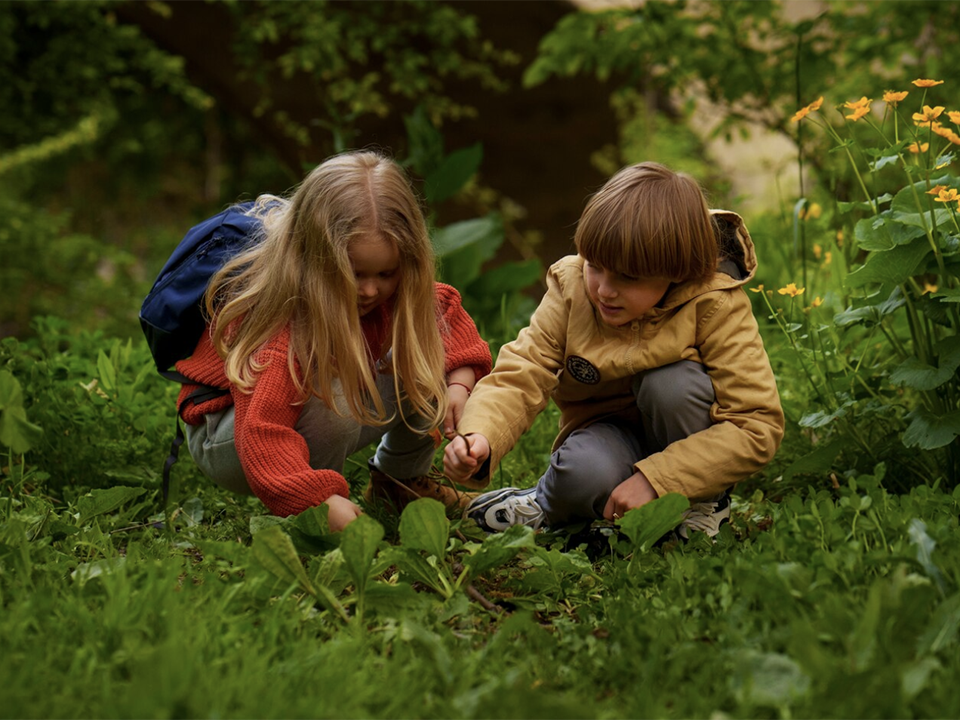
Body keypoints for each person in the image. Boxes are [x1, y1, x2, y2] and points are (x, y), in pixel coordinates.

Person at [444, 161, 783, 538]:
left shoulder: (715, 302)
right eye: (597, 267)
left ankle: (701, 505)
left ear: (678, 270)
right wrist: (480, 436)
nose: (605, 289)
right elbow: (524, 370)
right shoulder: (572, 288)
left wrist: (660, 480)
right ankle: (544, 502)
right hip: (607, 433)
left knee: (670, 384)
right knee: (582, 475)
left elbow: (755, 423)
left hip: (689, 439)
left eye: (628, 277)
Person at [175, 150, 491, 532]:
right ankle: (316, 517)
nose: (371, 289)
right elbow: (263, 432)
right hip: (233, 435)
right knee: (334, 404)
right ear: (315, 258)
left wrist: (459, 382)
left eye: (386, 273)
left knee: (425, 356)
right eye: (354, 273)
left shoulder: (396, 289)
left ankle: (399, 482)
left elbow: (445, 315)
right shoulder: (285, 326)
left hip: (300, 405)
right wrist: (319, 501)